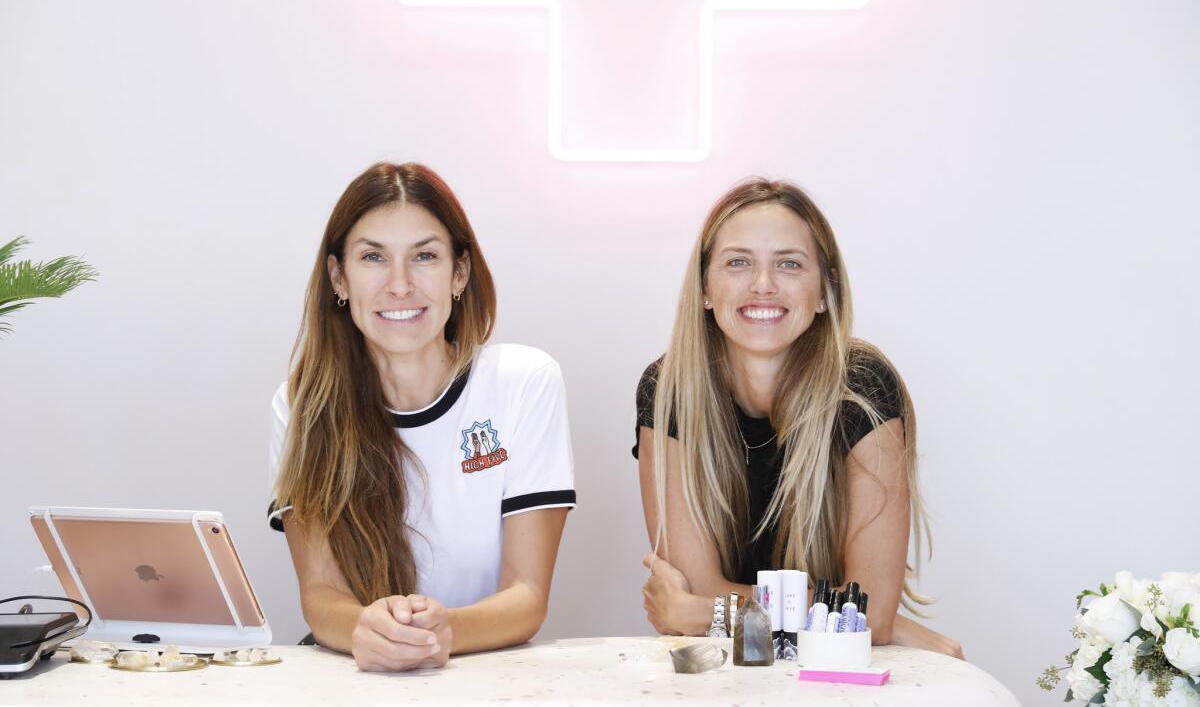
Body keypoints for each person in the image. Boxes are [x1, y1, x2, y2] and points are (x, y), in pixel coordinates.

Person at [635, 178, 963, 658]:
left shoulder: (863, 388)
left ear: (825, 292)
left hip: (838, 672)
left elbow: (869, 616)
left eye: (789, 264)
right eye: (738, 262)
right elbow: (697, 581)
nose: (763, 284)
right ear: (705, 288)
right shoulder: (669, 391)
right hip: (726, 671)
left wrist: (705, 614)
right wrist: (860, 618)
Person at [268, 162, 576, 671]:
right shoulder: (301, 404)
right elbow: (321, 593)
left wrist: (443, 631)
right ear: (339, 278)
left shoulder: (524, 381)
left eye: (425, 256)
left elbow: (527, 595)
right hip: (358, 676)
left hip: (477, 675)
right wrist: (366, 629)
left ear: (459, 273)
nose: (400, 284)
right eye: (373, 257)